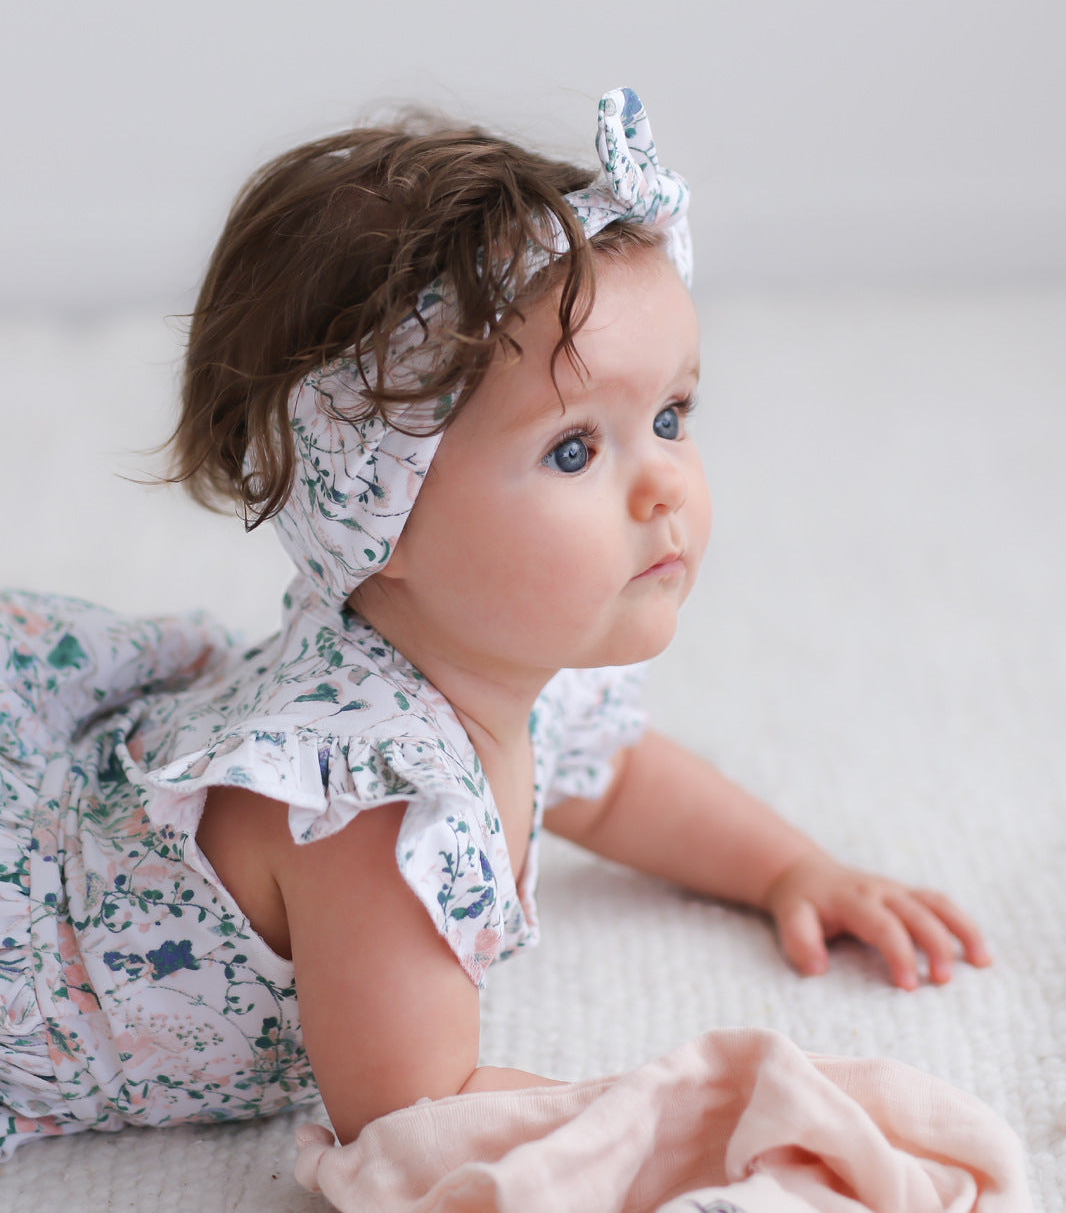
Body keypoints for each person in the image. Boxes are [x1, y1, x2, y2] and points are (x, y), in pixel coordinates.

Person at [0, 88, 990, 1158]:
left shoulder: (504, 668)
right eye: (574, 450)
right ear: (383, 516)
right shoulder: (364, 809)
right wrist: (689, 1129)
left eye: (668, 416)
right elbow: (414, 1119)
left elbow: (611, 779)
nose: (664, 483)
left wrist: (794, 871)